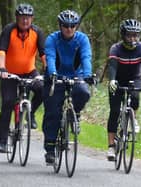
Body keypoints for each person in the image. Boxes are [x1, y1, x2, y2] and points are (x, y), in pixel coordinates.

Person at [42, 10, 92, 164]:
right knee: (53, 112)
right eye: (65, 26)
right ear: (60, 26)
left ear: (76, 26)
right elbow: (50, 57)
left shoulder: (82, 39)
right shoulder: (52, 39)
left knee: (83, 92)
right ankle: (50, 148)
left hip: (76, 75)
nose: (69, 29)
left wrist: (88, 74)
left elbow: (85, 57)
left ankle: (75, 113)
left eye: (72, 26)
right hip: (56, 76)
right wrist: (53, 74)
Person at [0, 3, 46, 153]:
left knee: (43, 89)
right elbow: (1, 51)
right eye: (22, 18)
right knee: (8, 103)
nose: (25, 21)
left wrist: (48, 69)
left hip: (30, 71)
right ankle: (3, 142)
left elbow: (44, 54)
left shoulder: (37, 32)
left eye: (28, 18)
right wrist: (2, 68)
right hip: (10, 73)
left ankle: (31, 113)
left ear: (32, 19)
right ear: (17, 18)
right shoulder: (8, 30)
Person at [106, 19, 141, 161]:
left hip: (134, 78)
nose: (133, 38)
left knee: (135, 97)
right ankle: (111, 146)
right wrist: (112, 79)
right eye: (130, 35)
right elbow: (112, 66)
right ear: (123, 35)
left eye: (136, 35)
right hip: (117, 80)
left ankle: (132, 119)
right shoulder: (116, 48)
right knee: (114, 111)